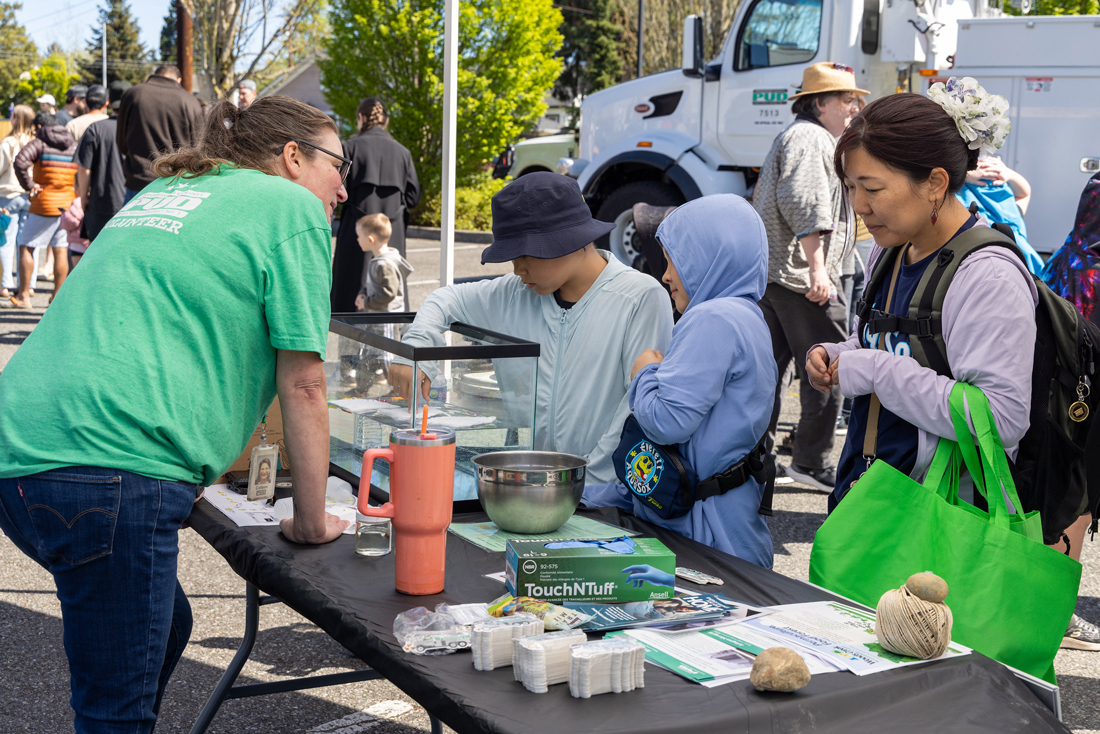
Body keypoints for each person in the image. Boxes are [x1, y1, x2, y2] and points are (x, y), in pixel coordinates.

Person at [0, 95, 350, 732]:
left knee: (165, 627)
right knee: (116, 712)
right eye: (339, 165)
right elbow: (303, 383)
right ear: (293, 158)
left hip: (21, 448)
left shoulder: (172, 190)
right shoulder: (290, 206)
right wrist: (309, 519)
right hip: (108, 470)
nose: (346, 189)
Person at [391, 172, 673, 485]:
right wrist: (414, 349)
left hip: (606, 497)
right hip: (527, 486)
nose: (517, 269)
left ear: (571, 239)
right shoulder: (513, 293)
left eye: (526, 254)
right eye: (512, 256)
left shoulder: (639, 298)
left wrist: (583, 484)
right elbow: (445, 298)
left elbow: (634, 410)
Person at [582, 195, 777, 567]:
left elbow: (666, 422)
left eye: (675, 261)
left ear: (710, 258)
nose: (666, 275)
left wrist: (645, 370)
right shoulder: (747, 314)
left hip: (700, 533)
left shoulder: (712, 318)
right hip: (728, 523)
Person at [753, 62, 863, 492]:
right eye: (846, 99)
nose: (855, 107)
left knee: (766, 375)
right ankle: (812, 462)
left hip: (777, 276)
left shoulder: (801, 135)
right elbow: (803, 202)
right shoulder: (811, 137)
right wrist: (819, 269)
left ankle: (757, 456)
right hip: (801, 278)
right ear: (820, 104)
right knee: (831, 366)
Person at [332, 97, 420, 312]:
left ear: (361, 118)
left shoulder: (349, 148)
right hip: (393, 231)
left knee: (350, 296)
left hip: (357, 229)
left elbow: (336, 188)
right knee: (390, 291)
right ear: (386, 121)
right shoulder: (403, 153)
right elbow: (413, 197)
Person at [10, 111, 77, 307]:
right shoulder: (72, 142)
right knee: (60, 251)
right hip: (67, 204)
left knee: (26, 246)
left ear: (39, 127)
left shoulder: (40, 142)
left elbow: (20, 162)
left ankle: (23, 296)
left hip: (44, 204)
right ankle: (57, 297)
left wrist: (30, 186)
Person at [117, 64, 205, 200]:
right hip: (176, 184)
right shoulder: (189, 101)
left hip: (139, 181)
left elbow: (121, 143)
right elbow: (198, 148)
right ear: (178, 80)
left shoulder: (133, 94)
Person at [957, 156, 1044, 274]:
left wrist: (962, 175)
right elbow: (1024, 194)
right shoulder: (1012, 223)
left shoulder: (963, 218)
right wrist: (1008, 173)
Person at [75, 82, 129, 244]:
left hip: (100, 202)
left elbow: (84, 168)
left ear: (109, 102)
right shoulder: (138, 129)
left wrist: (83, 197)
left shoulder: (95, 129)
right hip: (132, 202)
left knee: (97, 256)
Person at [0, 104, 34, 302]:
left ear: (15, 119)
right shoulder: (35, 142)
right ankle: (27, 286)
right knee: (27, 243)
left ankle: (6, 284)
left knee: (5, 242)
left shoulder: (8, 143)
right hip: (29, 197)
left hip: (8, 196)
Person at [354, 213, 413, 312]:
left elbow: (388, 293)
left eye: (359, 236)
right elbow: (374, 283)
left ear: (370, 239)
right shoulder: (378, 260)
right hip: (380, 316)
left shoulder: (384, 264)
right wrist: (363, 292)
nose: (357, 239)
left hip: (387, 320)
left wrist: (366, 303)